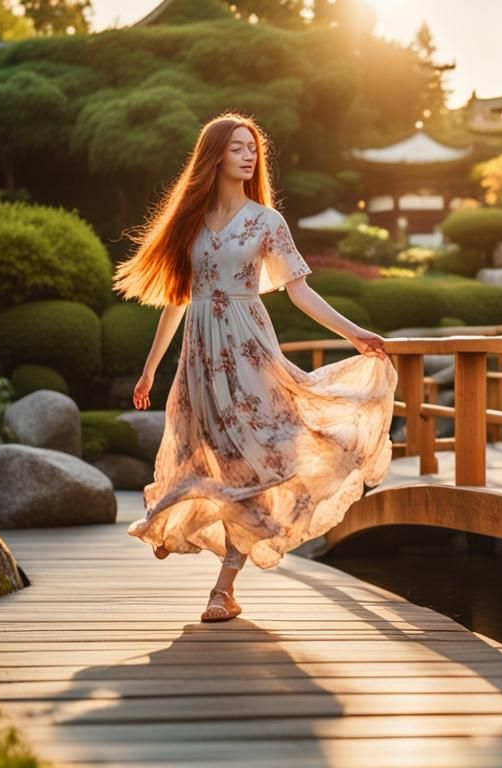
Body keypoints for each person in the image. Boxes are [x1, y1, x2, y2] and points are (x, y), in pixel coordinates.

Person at [112, 113, 396, 622]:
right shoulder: (190, 223)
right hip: (200, 355)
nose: (249, 156)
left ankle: (221, 588)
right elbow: (178, 299)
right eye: (238, 147)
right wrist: (150, 368)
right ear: (215, 155)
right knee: (197, 452)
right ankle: (171, 523)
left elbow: (299, 290)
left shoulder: (268, 222)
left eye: (252, 149)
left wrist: (353, 333)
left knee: (257, 463)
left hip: (250, 352)